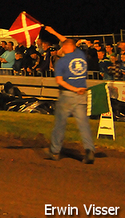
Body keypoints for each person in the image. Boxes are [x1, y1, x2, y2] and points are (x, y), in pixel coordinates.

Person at [44, 26, 95, 164]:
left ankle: (54, 151)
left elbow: (59, 81)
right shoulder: (81, 55)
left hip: (67, 95)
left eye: (61, 48)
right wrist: (53, 32)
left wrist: (73, 88)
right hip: (81, 94)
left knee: (60, 124)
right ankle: (89, 150)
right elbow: (66, 40)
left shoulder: (61, 62)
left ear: (65, 48)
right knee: (83, 124)